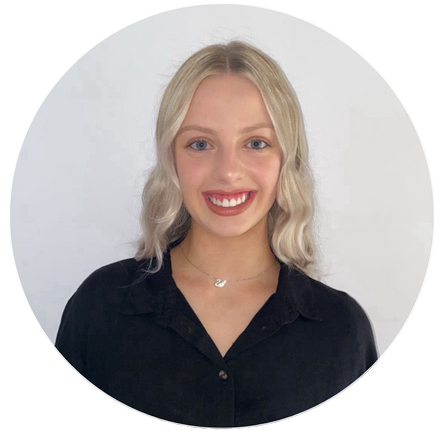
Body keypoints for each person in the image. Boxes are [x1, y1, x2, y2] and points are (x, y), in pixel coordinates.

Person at [56, 41, 378, 427]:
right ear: (172, 158)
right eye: (200, 144)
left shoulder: (342, 328)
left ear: (286, 159)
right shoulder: (99, 308)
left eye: (256, 143)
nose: (227, 171)